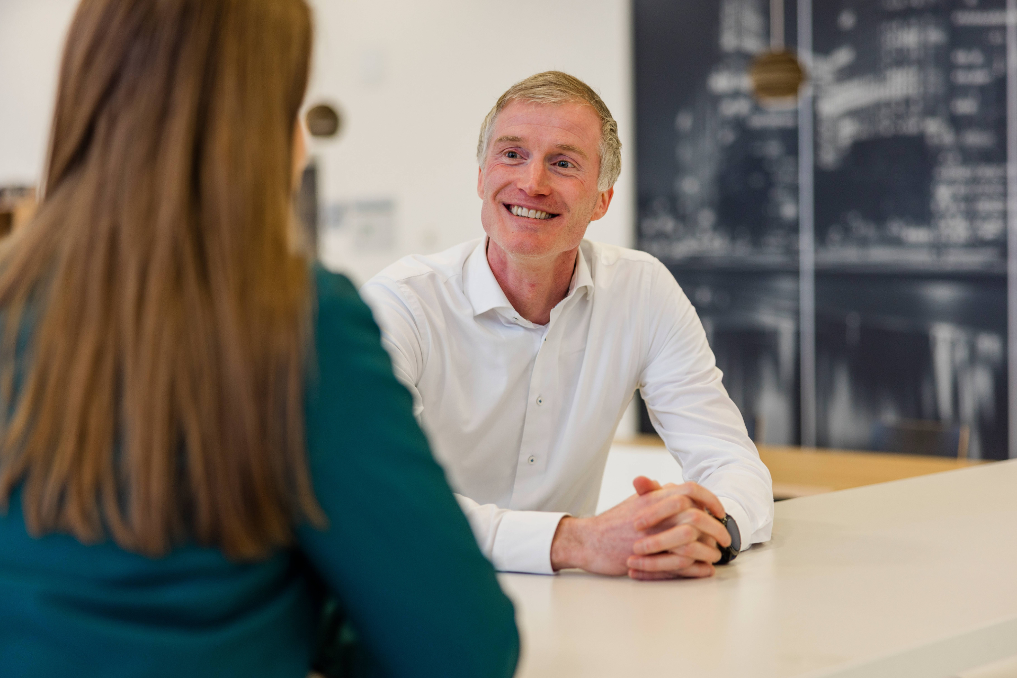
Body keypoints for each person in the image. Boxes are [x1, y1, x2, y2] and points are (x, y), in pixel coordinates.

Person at [0, 1, 518, 677]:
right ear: (258, 123)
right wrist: (312, 610)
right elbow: (464, 652)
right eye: (294, 106)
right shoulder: (300, 319)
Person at [362, 71, 774, 579]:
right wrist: (575, 541)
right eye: (511, 154)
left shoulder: (642, 291)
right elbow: (376, 499)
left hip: (572, 608)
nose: (531, 183)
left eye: (562, 163)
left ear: (602, 200)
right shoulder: (400, 305)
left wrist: (710, 527)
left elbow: (731, 460)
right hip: (416, 591)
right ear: (481, 177)